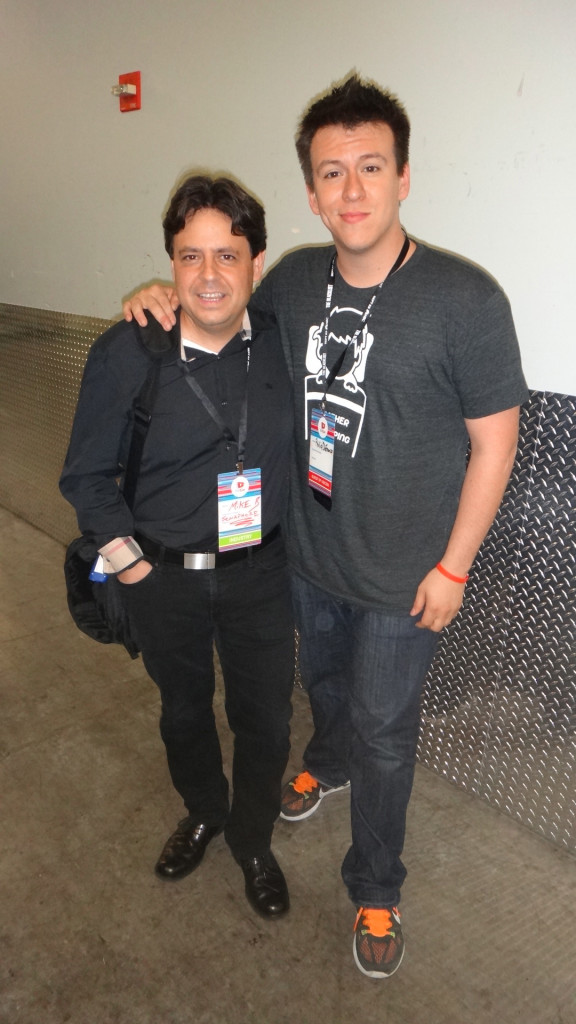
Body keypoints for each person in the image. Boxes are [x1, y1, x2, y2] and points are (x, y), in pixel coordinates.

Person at [123, 76, 528, 977]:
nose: (351, 190)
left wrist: (455, 568)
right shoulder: (297, 280)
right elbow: (217, 305)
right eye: (331, 172)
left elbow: (496, 445)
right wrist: (161, 294)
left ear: (404, 177)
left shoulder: (466, 300)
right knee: (327, 689)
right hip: (305, 562)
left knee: (386, 729)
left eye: (370, 167)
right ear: (311, 191)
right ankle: (327, 759)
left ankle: (376, 886)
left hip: (403, 580)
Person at [60, 175, 295, 919]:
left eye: (228, 255)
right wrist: (132, 568)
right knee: (184, 708)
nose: (209, 275)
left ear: (257, 262)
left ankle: (252, 838)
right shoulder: (127, 353)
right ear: (171, 262)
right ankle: (204, 810)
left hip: (261, 574)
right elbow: (85, 475)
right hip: (163, 577)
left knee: (266, 718)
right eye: (191, 256)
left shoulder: (285, 344)